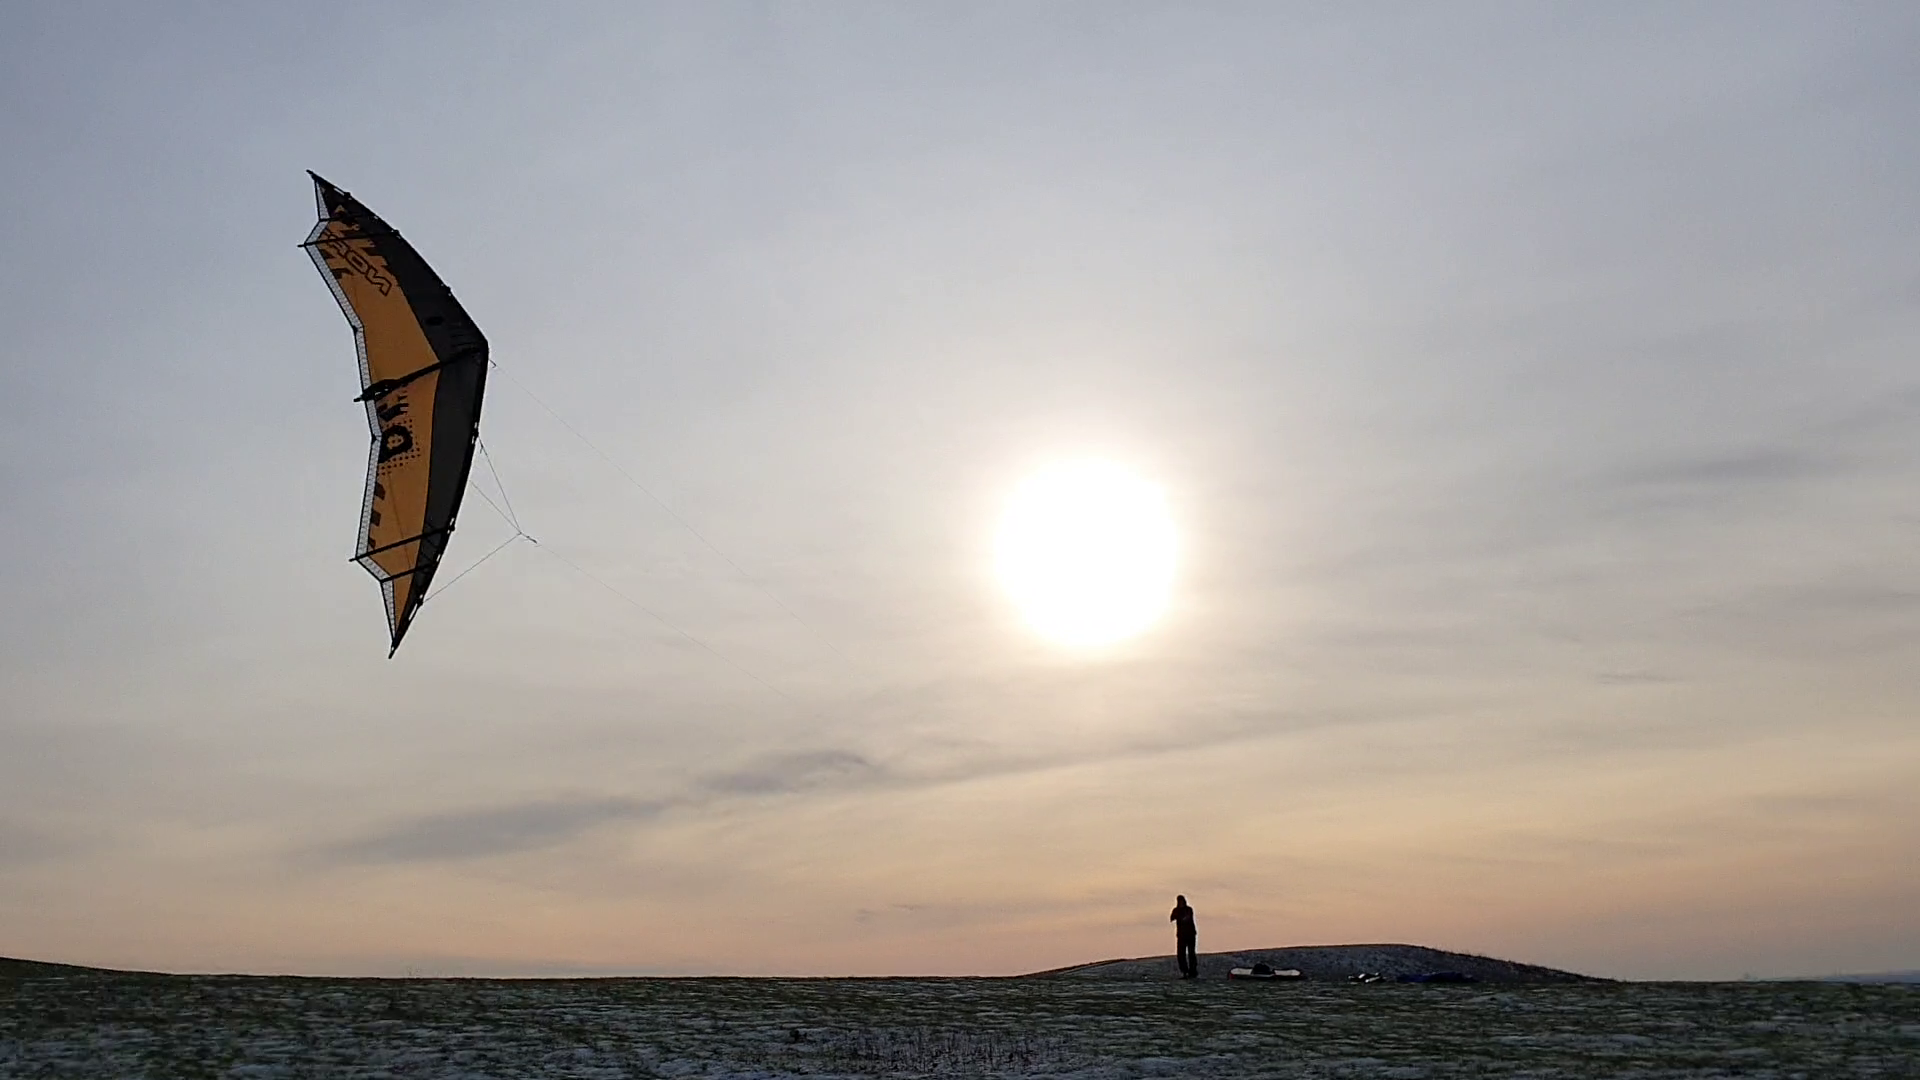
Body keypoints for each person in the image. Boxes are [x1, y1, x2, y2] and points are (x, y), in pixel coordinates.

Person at [1170, 894, 1198, 978]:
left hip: (1190, 934)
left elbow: (1187, 918)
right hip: (1181, 935)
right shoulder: (1176, 910)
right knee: (1181, 954)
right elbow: (1172, 918)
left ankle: (1192, 972)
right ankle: (1184, 971)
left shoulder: (1188, 909)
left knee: (1191, 954)